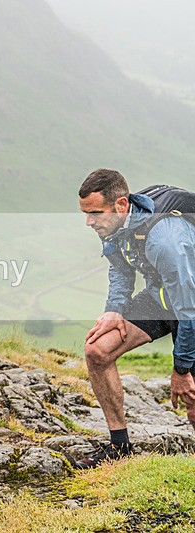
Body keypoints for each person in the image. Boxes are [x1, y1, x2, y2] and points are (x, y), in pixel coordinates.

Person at [77, 168, 195, 468]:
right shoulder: (116, 226)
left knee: (192, 401)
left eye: (95, 213)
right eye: (86, 213)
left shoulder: (165, 241)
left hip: (190, 306)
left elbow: (188, 311)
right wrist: (114, 309)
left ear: (121, 205)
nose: (89, 221)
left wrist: (181, 370)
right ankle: (119, 447)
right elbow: (119, 267)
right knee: (97, 350)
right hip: (162, 299)